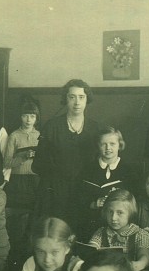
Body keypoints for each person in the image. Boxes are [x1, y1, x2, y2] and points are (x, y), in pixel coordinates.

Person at [32, 79, 100, 227]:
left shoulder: (95, 129)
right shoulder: (52, 126)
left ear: (87, 99)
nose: (77, 102)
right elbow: (37, 165)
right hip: (55, 192)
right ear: (65, 99)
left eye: (81, 97)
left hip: (85, 191)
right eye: (72, 97)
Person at [78, 127, 137, 240]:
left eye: (112, 144)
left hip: (119, 227)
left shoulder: (129, 171)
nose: (108, 148)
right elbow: (78, 200)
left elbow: (134, 202)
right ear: (98, 146)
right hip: (90, 226)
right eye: (103, 144)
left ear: (120, 145)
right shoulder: (87, 170)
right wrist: (94, 204)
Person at [88, 189, 149, 271]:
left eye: (120, 213)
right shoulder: (101, 233)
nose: (113, 218)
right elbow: (91, 248)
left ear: (130, 214)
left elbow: (144, 256)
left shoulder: (140, 234)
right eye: (110, 212)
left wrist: (139, 264)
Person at [3, 97, 41, 209]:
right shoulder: (14, 136)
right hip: (18, 181)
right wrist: (23, 157)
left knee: (35, 210)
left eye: (32, 116)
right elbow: (7, 163)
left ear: (36, 118)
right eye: (25, 116)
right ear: (20, 117)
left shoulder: (40, 135)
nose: (28, 120)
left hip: (36, 180)